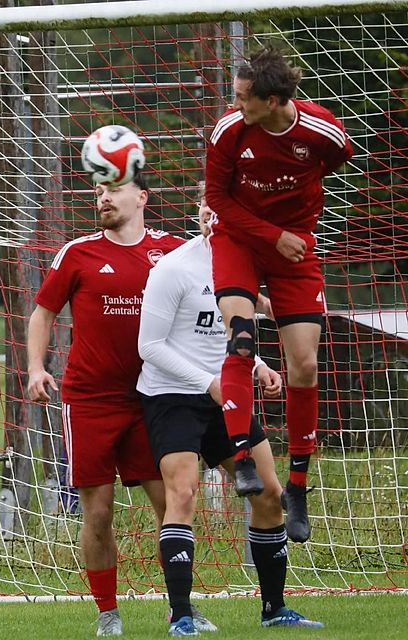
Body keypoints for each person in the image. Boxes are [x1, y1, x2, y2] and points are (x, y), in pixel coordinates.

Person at [138, 197, 324, 635]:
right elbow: (149, 347)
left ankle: (274, 609)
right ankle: (181, 615)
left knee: (270, 494)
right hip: (173, 394)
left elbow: (232, 334)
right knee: (182, 494)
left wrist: (257, 366)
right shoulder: (173, 268)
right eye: (205, 206)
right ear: (201, 213)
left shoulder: (247, 268)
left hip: (225, 394)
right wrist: (208, 382)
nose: (211, 215)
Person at [26, 173, 185, 637]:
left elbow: (209, 303)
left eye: (113, 190)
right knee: (97, 511)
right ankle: (108, 613)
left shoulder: (173, 250)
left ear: (142, 197)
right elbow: (43, 312)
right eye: (98, 192)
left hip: (155, 397)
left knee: (171, 503)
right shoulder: (77, 252)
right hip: (90, 400)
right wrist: (36, 367)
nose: (103, 198)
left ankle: (181, 610)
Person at [205, 46, 353, 543]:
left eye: (244, 97)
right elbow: (217, 199)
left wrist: (297, 227)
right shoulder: (229, 131)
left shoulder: (321, 131)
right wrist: (271, 233)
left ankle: (298, 487)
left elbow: (337, 161)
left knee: (305, 365)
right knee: (241, 338)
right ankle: (242, 455)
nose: (236, 102)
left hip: (295, 250)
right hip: (240, 242)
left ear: (272, 101)